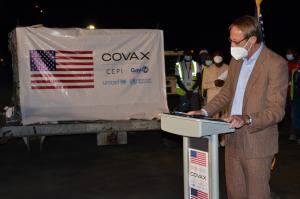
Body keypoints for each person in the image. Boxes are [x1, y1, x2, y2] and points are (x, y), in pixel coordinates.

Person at [188, 15, 288, 199]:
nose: (232, 46)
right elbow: (226, 94)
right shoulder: (236, 62)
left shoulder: (276, 64)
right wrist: (203, 111)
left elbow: (276, 110)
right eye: (230, 40)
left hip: (257, 142)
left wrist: (246, 119)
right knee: (235, 194)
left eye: (236, 41)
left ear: (252, 40)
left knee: (257, 195)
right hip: (232, 139)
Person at [290, 56, 300, 144]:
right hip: (295, 97)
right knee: (294, 117)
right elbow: (292, 85)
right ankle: (296, 133)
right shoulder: (294, 72)